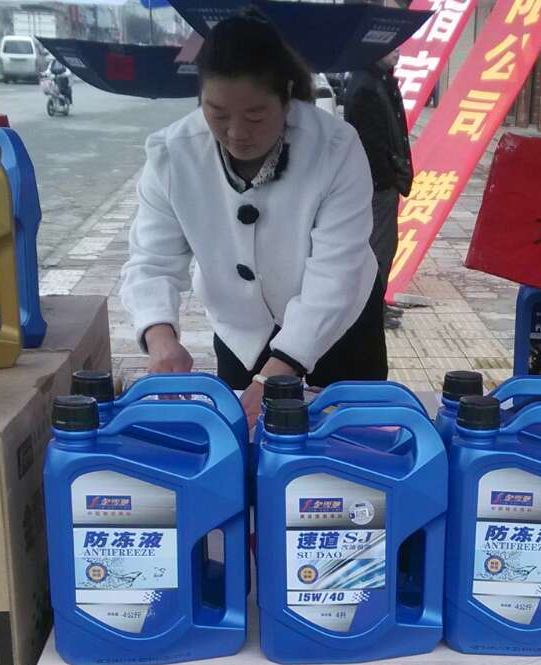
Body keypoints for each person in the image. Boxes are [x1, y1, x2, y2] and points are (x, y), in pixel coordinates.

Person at [120, 11, 387, 422]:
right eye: (218, 113)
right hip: (243, 335)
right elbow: (151, 261)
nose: (236, 132)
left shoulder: (336, 147)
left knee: (350, 441)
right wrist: (160, 335)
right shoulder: (171, 156)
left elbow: (337, 269)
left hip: (340, 328)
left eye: (255, 116)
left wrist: (281, 369)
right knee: (246, 445)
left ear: (287, 95)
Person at [345, 43, 414, 330]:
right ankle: (371, 311)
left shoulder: (379, 81)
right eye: (392, 48)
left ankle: (377, 304)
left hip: (382, 182)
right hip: (378, 185)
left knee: (384, 247)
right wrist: (387, 178)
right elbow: (370, 144)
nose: (398, 52)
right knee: (379, 250)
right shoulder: (367, 86)